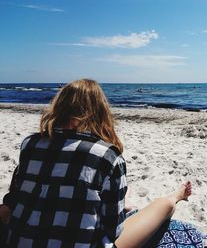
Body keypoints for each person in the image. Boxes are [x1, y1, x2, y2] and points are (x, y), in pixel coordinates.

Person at [0, 79, 192, 248]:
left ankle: (126, 200)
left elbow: (22, 195)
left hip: (20, 240)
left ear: (59, 106)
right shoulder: (107, 155)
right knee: (163, 206)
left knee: (111, 192)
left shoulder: (30, 144)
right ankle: (175, 196)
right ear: (100, 111)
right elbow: (112, 229)